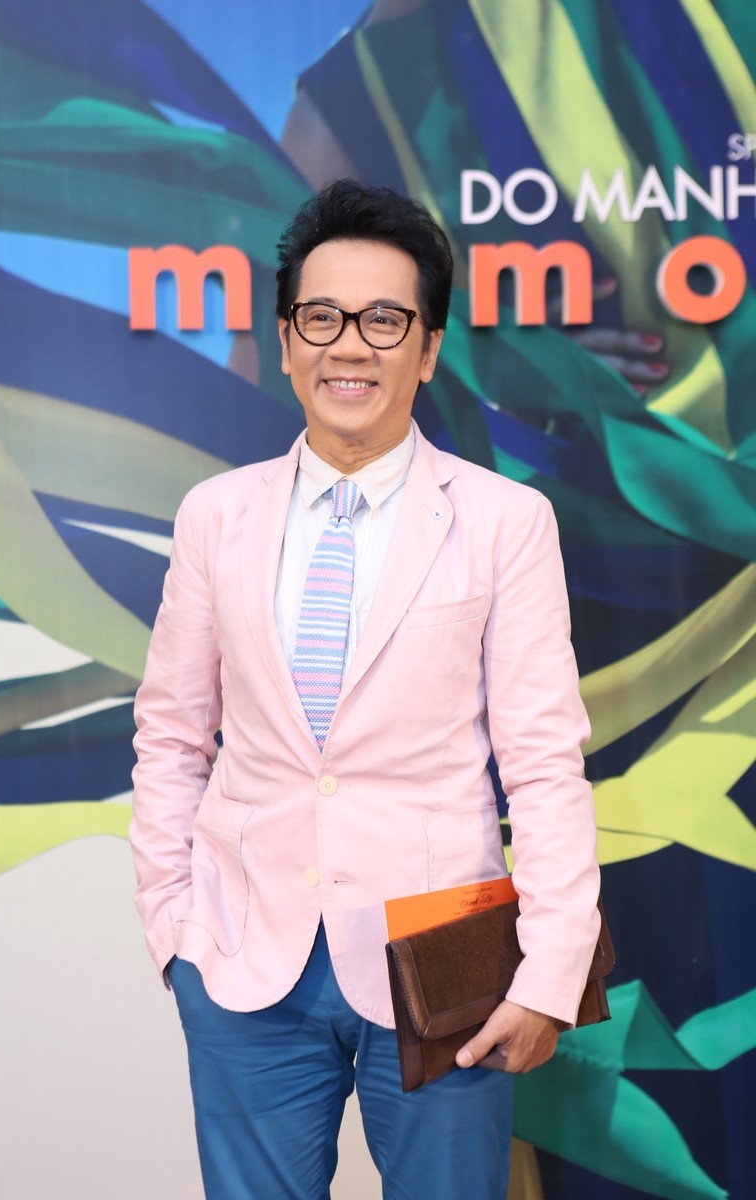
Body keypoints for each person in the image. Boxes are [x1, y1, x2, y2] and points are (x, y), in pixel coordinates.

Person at [130, 179, 600, 1200]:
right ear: (286, 340)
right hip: (244, 960)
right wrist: (174, 930)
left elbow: (541, 762)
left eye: (384, 320)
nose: (350, 346)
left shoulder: (502, 522)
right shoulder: (215, 515)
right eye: (323, 318)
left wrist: (551, 972)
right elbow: (171, 734)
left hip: (444, 965)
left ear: (426, 349)